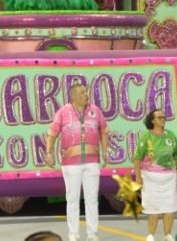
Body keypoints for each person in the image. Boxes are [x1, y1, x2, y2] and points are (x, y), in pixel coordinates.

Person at [44, 83, 108, 241]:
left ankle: (92, 234)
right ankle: (73, 233)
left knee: (92, 198)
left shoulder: (95, 111)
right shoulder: (63, 112)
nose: (85, 95)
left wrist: (105, 151)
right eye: (81, 93)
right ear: (72, 96)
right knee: (72, 199)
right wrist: (49, 152)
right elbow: (52, 134)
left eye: (85, 92)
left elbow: (104, 131)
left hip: (92, 161)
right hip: (71, 163)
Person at [132, 109, 177, 241]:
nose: (163, 119)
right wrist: (138, 176)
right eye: (159, 117)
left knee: (169, 206)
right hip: (150, 178)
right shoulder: (146, 137)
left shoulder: (170, 135)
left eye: (164, 117)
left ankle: (167, 235)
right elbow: (137, 158)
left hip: (169, 177)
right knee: (152, 207)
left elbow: (176, 156)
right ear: (152, 120)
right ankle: (151, 235)